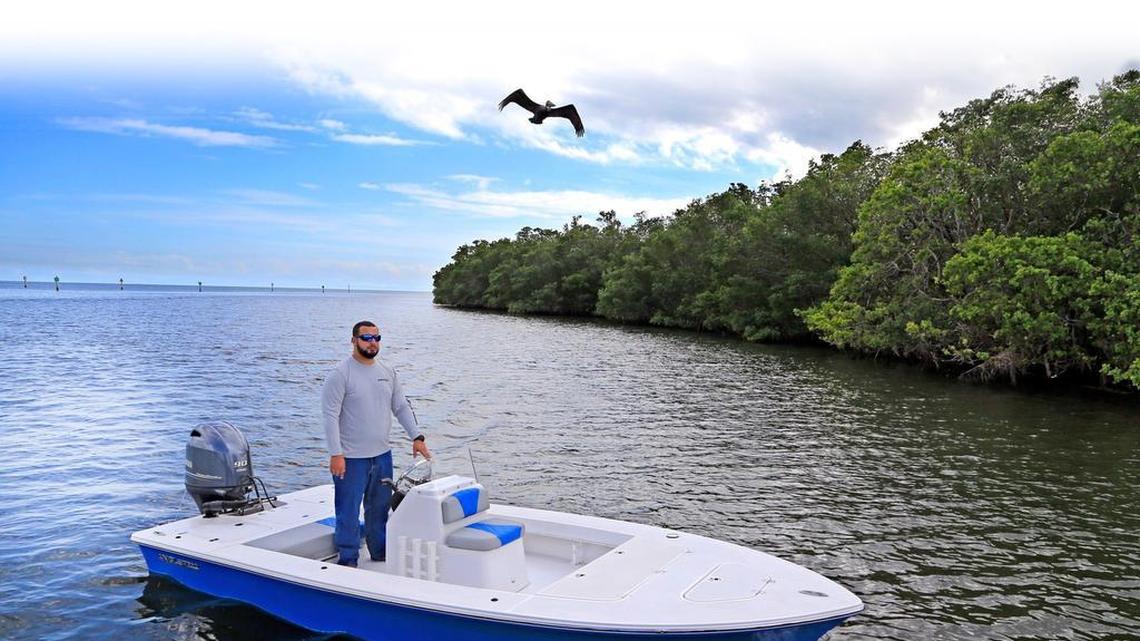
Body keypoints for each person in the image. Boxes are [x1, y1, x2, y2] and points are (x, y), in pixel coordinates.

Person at [321, 320, 431, 567]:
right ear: (353, 340)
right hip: (350, 458)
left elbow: (401, 407)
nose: (372, 343)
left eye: (376, 338)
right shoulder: (341, 374)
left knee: (379, 509)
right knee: (348, 511)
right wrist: (335, 454)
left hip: (382, 456)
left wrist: (417, 437)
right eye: (366, 338)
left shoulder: (387, 373)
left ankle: (380, 552)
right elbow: (329, 416)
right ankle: (348, 559)